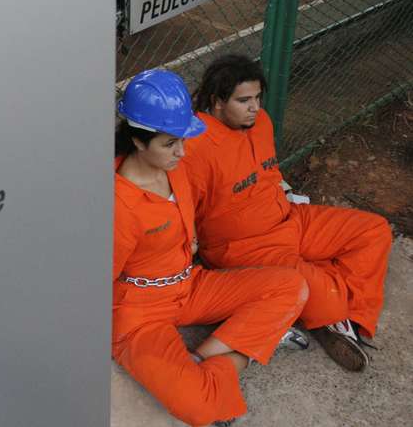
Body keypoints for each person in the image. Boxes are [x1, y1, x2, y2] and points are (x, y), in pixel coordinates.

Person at [113, 68, 309, 426]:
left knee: (291, 287)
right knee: (200, 409)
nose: (182, 152)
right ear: (138, 142)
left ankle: (200, 360)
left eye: (183, 140)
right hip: (140, 315)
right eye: (170, 143)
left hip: (188, 284)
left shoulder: (175, 168)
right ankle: (242, 351)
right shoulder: (116, 206)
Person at [182, 53, 392, 372]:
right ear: (217, 101)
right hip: (245, 245)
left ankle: (327, 306)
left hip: (290, 218)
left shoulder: (261, 121)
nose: (254, 106)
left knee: (374, 230)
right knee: (329, 297)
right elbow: (182, 211)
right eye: (243, 100)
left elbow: (269, 174)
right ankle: (330, 310)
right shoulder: (194, 146)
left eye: (257, 97)